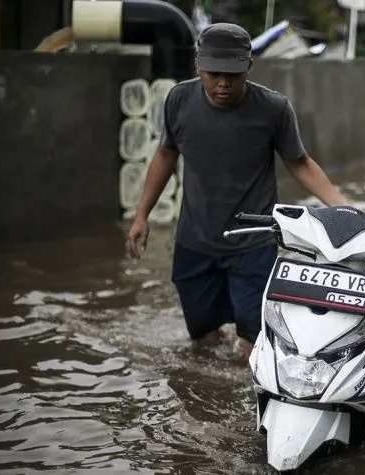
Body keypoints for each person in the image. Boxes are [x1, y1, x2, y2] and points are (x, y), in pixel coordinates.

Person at [125, 23, 349, 353]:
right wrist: (141, 215)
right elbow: (166, 153)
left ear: (249, 67)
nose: (223, 83)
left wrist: (341, 208)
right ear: (197, 65)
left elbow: (299, 162)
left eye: (233, 74)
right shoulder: (179, 100)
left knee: (253, 341)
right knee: (202, 338)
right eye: (213, 73)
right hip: (195, 241)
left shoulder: (273, 108)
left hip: (253, 244)